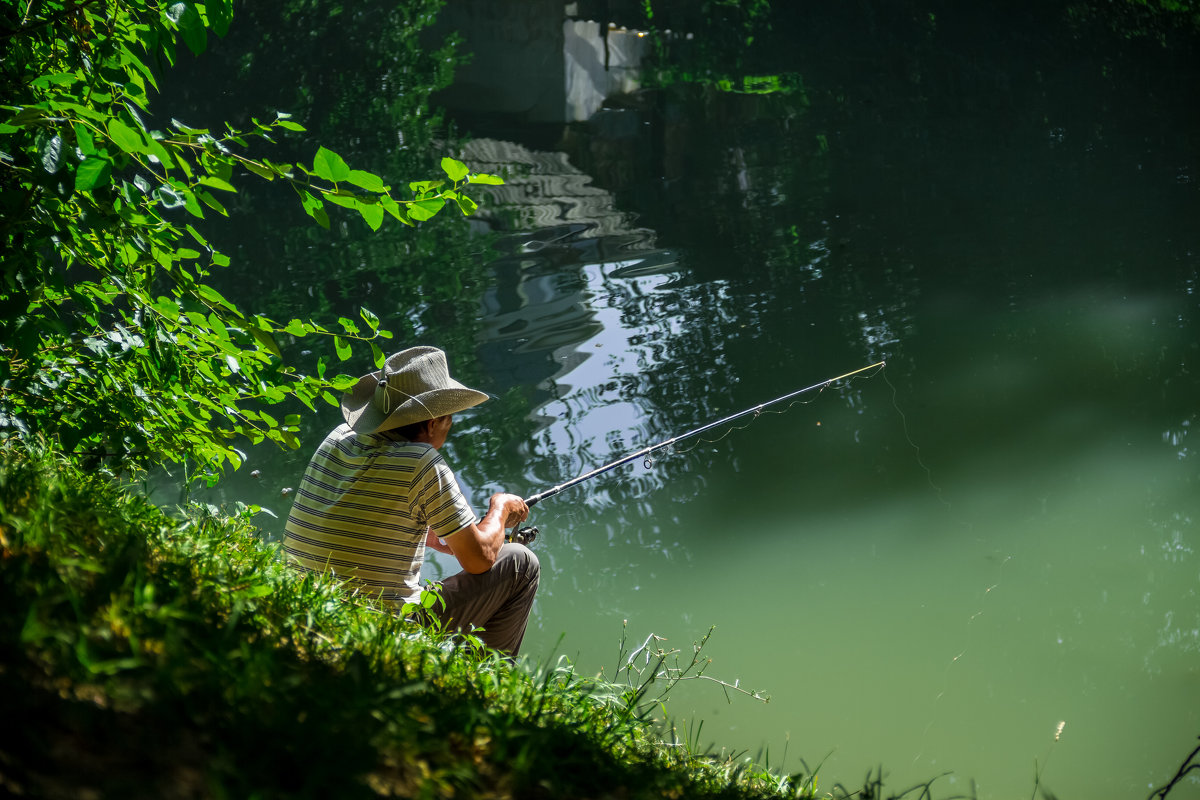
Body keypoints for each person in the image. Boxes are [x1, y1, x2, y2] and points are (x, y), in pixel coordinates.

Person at [282, 346, 539, 656]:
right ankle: (482, 685)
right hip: (375, 628)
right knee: (521, 563)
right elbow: (480, 558)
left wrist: (431, 535)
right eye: (449, 421)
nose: (449, 428)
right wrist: (502, 507)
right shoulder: (422, 462)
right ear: (433, 423)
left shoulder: (339, 437)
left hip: (304, 606)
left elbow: (355, 512)